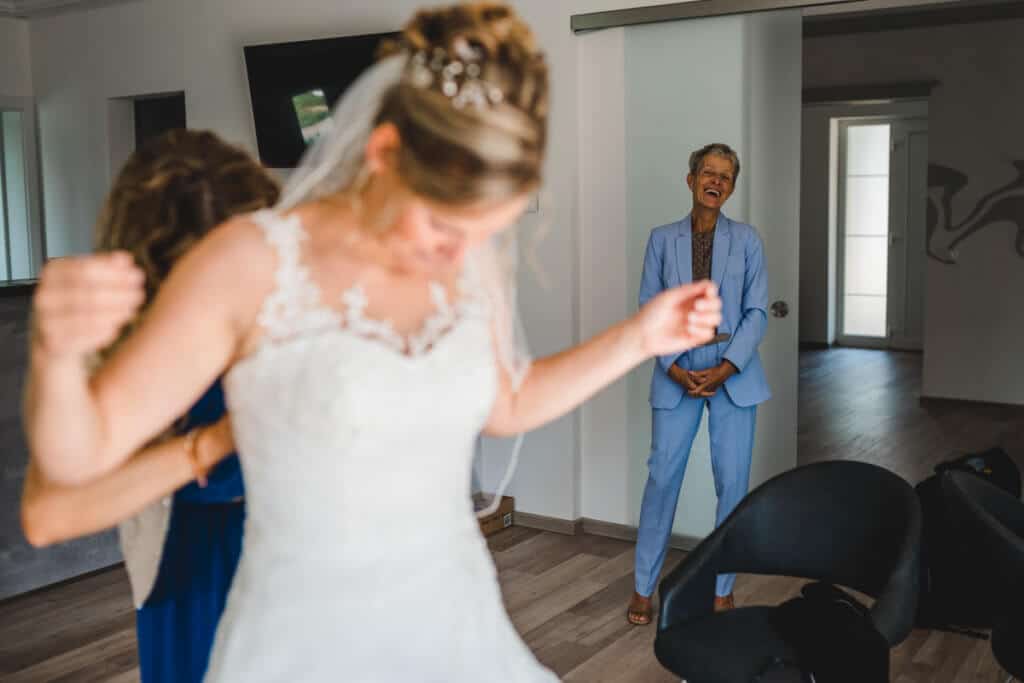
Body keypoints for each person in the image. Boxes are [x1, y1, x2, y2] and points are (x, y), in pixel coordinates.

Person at [23, 4, 722, 680]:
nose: (462, 254)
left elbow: (505, 402)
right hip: (303, 637)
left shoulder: (466, 258)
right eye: (447, 229)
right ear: (384, 153)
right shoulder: (249, 263)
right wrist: (55, 355)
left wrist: (638, 337)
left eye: (486, 231)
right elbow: (77, 457)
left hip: (453, 616)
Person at [21, 128, 280, 682]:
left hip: (300, 564)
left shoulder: (296, 316)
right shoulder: (119, 345)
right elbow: (47, 514)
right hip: (186, 569)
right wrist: (211, 445)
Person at [627, 143, 770, 626]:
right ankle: (644, 587)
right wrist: (673, 367)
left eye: (725, 177)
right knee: (662, 478)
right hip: (677, 370)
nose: (716, 182)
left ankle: (722, 588)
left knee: (731, 482)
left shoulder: (747, 240)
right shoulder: (661, 240)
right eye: (707, 173)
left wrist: (727, 366)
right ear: (690, 180)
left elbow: (756, 311)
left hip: (734, 373)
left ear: (732, 187)